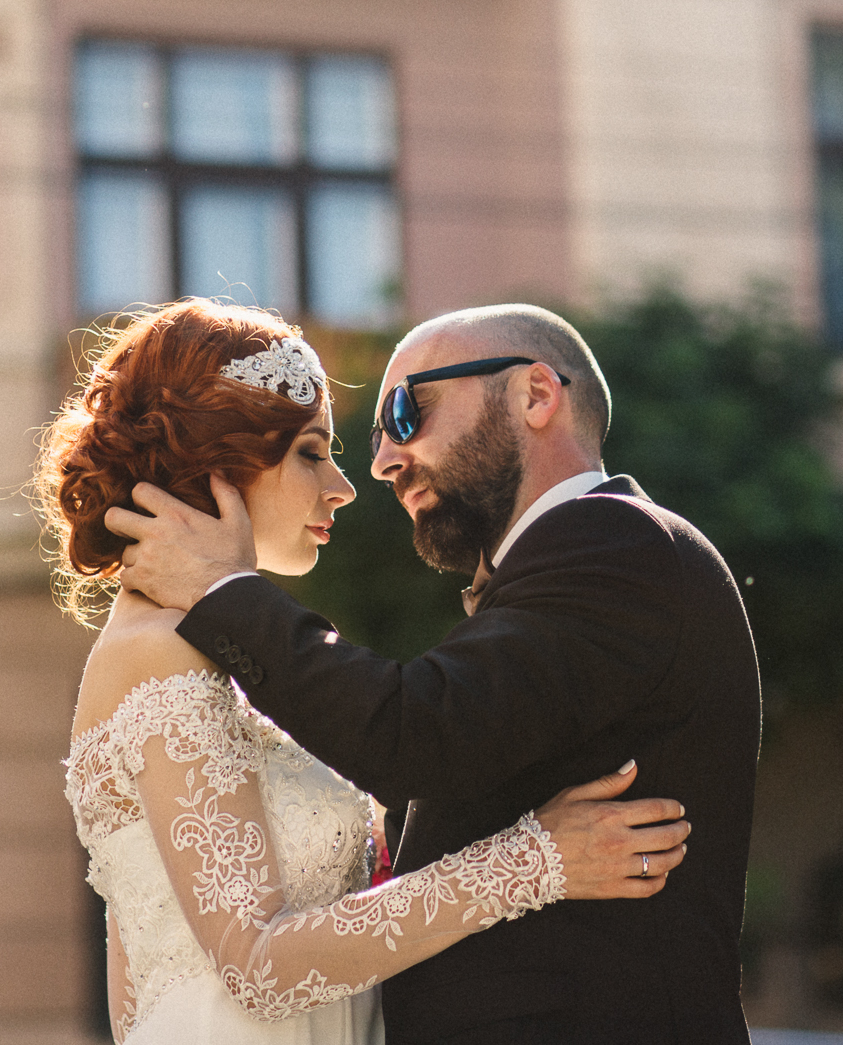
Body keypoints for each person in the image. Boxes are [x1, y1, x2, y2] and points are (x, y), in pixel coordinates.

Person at [39, 299, 693, 1045]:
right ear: (219, 465)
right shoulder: (154, 650)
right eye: (310, 452)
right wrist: (537, 859)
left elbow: (135, 979)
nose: (344, 486)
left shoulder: (219, 658)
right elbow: (257, 967)